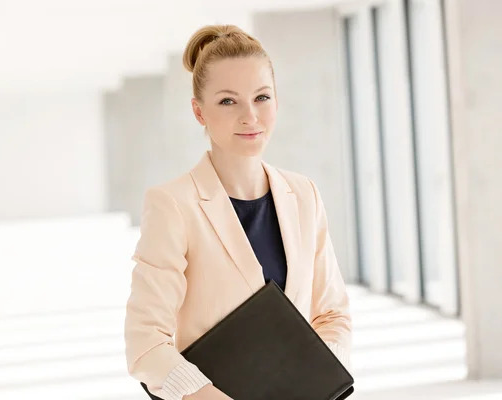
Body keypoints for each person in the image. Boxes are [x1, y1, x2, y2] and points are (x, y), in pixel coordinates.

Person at [124, 24, 352, 400]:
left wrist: (314, 383)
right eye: (228, 101)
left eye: (262, 97)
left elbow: (332, 315)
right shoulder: (173, 205)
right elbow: (145, 343)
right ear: (199, 112)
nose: (250, 116)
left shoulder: (304, 195)